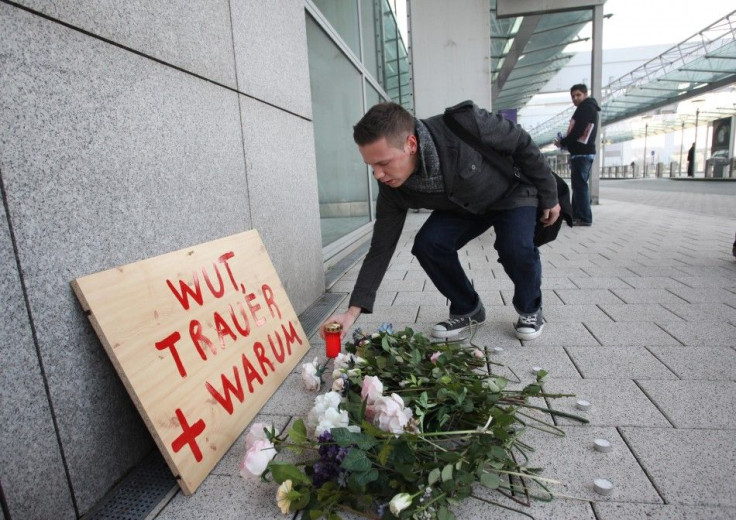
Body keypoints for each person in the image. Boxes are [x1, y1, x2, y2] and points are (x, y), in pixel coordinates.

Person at [321, 100, 560, 342]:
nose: (378, 175)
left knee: (514, 247)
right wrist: (352, 312)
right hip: (465, 206)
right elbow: (381, 247)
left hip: (511, 193)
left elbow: (521, 142)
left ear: (410, 144)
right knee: (428, 244)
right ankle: (468, 309)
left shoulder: (466, 123)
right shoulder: (392, 189)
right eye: (371, 166)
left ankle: (530, 308)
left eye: (383, 163)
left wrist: (550, 195)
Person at [554, 84, 600, 227]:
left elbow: (578, 131)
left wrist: (563, 142)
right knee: (578, 185)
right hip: (582, 153)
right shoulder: (587, 108)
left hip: (582, 153)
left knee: (580, 186)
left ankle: (585, 217)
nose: (575, 98)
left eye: (578, 95)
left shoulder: (586, 108)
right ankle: (575, 215)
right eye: (573, 96)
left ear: (585, 94)